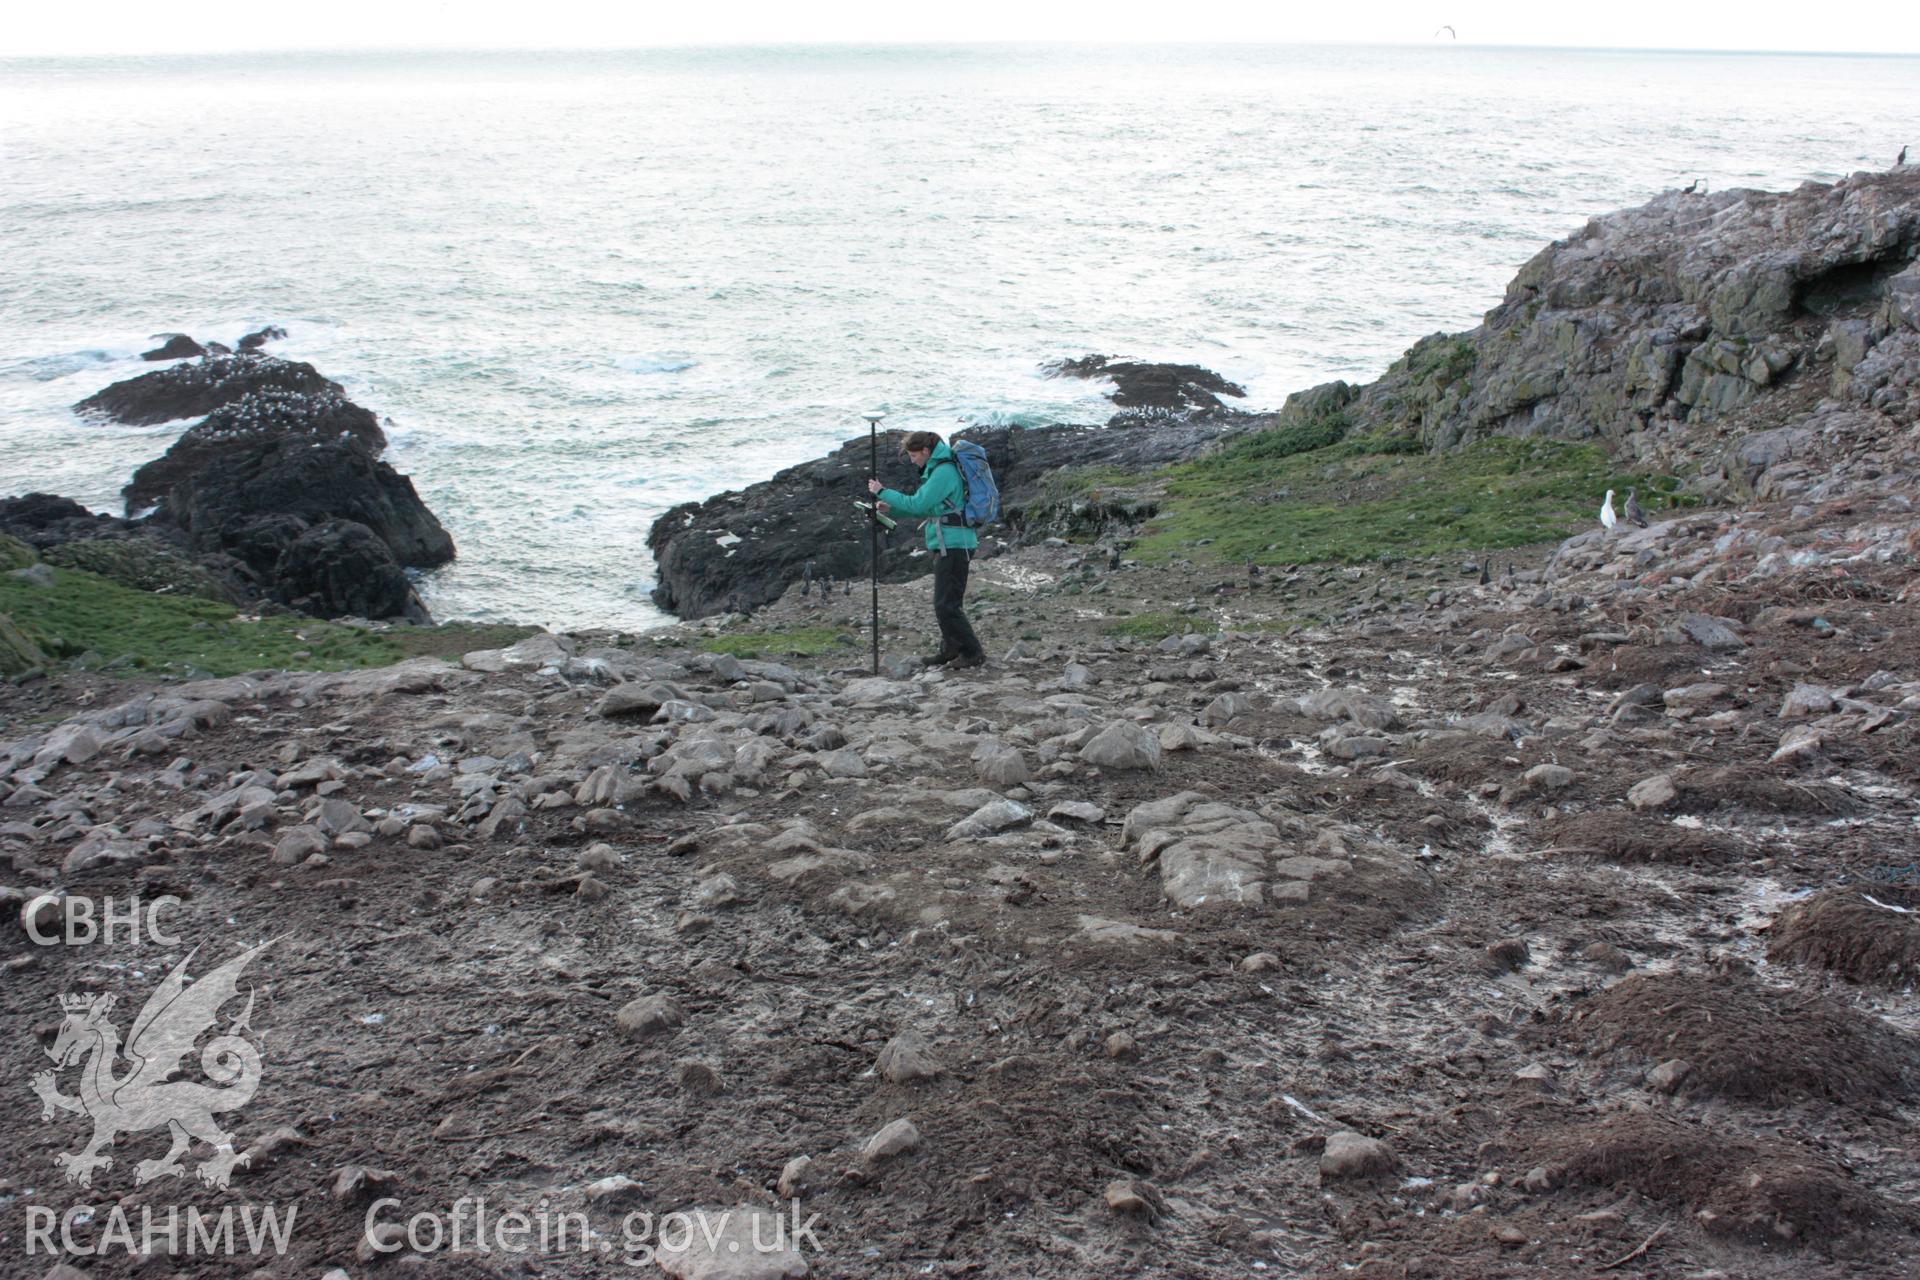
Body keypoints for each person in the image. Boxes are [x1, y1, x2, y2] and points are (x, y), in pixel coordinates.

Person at [867, 430, 985, 668]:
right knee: (945, 601)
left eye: (913, 455)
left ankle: (973, 653)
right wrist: (892, 509)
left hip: (955, 543)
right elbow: (927, 508)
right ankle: (951, 649)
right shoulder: (939, 469)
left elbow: (919, 503)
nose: (912, 460)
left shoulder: (943, 472)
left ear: (926, 451)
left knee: (946, 604)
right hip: (949, 542)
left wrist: (882, 491)